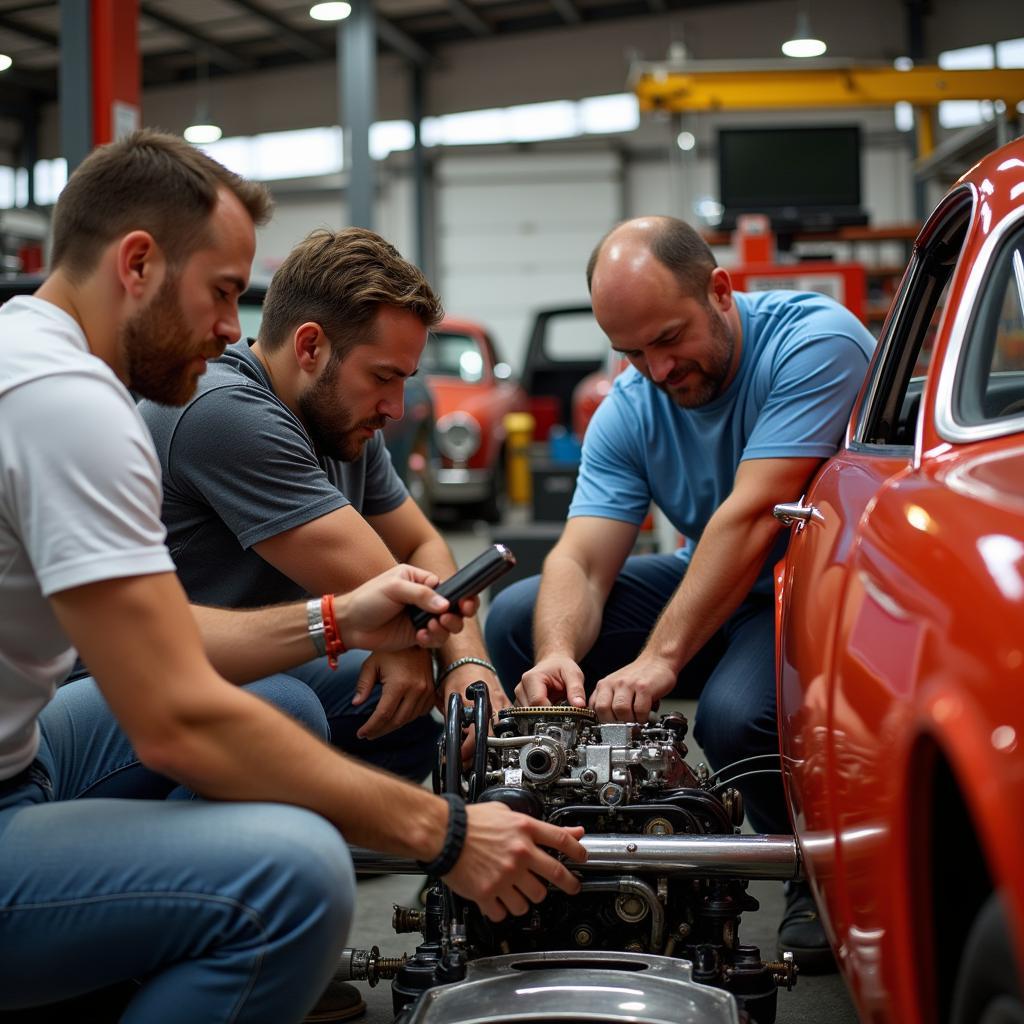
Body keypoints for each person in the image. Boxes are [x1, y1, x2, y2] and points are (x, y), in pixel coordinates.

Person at [0, 130, 586, 1024]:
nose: (234, 324)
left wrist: (342, 624)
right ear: (139, 264)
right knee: (299, 876)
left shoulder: (31, 354)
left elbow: (164, 638)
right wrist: (448, 835)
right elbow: (173, 714)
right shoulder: (77, 407)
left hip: (29, 749)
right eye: (224, 292)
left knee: (283, 703)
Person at [485, 215, 873, 970]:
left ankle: (807, 869)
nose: (657, 370)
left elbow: (754, 515)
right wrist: (559, 652)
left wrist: (661, 659)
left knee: (736, 718)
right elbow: (585, 559)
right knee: (514, 620)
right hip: (710, 589)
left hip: (804, 590)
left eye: (668, 340)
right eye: (632, 352)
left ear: (720, 291)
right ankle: (557, 831)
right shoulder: (632, 405)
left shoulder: (816, 343)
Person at [139, 228, 508, 783]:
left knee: (412, 716)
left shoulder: (346, 423)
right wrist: (417, 644)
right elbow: (397, 588)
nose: (395, 407)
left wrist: (464, 666)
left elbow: (418, 543)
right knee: (292, 706)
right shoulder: (222, 410)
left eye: (405, 380)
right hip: (137, 683)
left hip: (251, 663)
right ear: (310, 346)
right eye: (383, 377)